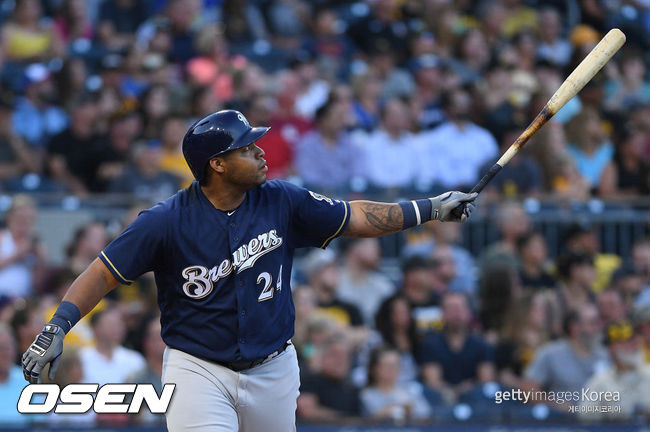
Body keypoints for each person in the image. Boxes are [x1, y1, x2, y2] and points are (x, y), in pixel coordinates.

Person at [21, 109, 478, 432]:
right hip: (198, 368)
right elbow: (103, 272)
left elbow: (353, 216)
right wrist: (56, 327)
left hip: (273, 367)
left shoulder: (281, 198)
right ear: (216, 164)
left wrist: (431, 208)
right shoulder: (165, 220)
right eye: (246, 147)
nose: (260, 152)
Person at [580, 321, 650, 421]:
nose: (633, 346)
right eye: (626, 341)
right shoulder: (600, 382)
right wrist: (614, 412)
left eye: (635, 340)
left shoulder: (648, 374)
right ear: (612, 348)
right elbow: (584, 415)